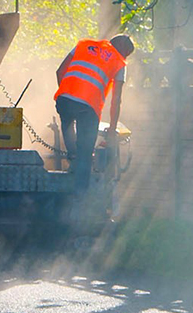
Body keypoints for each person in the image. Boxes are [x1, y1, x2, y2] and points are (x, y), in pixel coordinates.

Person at [54, 34, 134, 195]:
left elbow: (59, 71)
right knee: (85, 152)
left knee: (68, 125)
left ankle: (73, 158)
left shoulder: (84, 44)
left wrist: (67, 94)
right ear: (125, 52)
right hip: (88, 108)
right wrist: (112, 129)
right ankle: (80, 197)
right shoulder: (119, 62)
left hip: (64, 100)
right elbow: (116, 99)